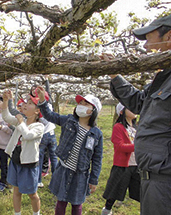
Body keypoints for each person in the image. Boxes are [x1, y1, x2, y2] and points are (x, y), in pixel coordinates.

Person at [110, 14, 171, 215]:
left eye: (149, 38)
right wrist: (115, 76)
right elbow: (138, 103)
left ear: (169, 36)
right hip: (153, 177)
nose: (145, 47)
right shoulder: (163, 79)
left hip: (164, 179)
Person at [36, 86, 103, 215]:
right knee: (61, 201)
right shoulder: (69, 121)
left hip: (81, 174)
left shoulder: (96, 134)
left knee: (77, 203)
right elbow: (50, 116)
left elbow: (97, 158)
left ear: (93, 110)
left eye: (85, 103)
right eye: (80, 103)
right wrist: (43, 101)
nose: (81, 105)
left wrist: (94, 179)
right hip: (64, 168)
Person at [2, 90, 44, 215]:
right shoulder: (22, 121)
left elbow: (27, 135)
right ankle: (17, 213)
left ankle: (36, 213)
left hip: (28, 164)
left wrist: (20, 122)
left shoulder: (39, 127)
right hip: (16, 161)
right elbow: (6, 116)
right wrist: (5, 101)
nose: (25, 104)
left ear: (37, 111)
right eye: (26, 102)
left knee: (32, 193)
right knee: (16, 191)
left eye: (30, 103)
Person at [101, 103, 140, 215]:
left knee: (142, 191)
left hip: (136, 164)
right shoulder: (118, 127)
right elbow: (120, 146)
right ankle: (107, 210)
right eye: (130, 107)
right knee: (115, 189)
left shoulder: (136, 127)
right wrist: (138, 146)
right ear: (122, 111)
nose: (134, 110)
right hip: (123, 165)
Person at [31, 81, 58, 188]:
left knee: (40, 157)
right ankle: (55, 181)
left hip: (43, 135)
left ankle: (38, 181)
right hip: (52, 133)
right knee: (54, 157)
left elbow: (45, 121)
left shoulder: (40, 108)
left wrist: (38, 118)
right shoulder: (49, 105)